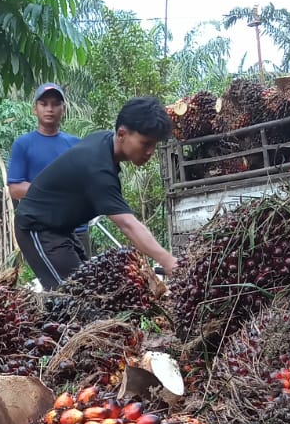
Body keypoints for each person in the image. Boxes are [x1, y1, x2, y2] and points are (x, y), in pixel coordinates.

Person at [14, 96, 177, 290]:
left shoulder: (105, 142)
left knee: (90, 292)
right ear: (122, 133)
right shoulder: (98, 169)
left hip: (61, 230)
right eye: (145, 143)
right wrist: (168, 262)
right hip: (37, 229)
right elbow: (128, 225)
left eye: (154, 145)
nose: (150, 151)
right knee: (72, 298)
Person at [7, 83, 91, 256]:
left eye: (55, 104)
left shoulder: (76, 145)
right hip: (44, 230)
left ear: (63, 109)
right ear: (35, 109)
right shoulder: (23, 144)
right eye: (44, 104)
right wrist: (54, 190)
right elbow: (15, 189)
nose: (50, 109)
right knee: (56, 282)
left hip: (78, 229)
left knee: (87, 281)